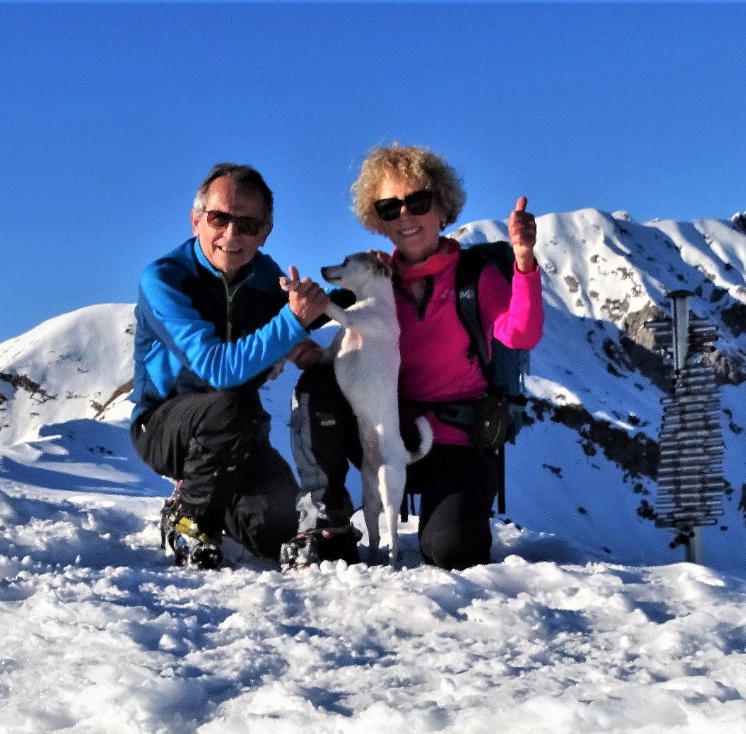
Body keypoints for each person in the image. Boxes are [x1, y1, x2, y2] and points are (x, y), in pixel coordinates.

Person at [285, 144, 543, 570]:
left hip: (458, 444)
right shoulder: (370, 277)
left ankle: (456, 518)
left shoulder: (474, 276)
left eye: (418, 201)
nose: (405, 216)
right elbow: (313, 326)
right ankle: (326, 521)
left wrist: (523, 260)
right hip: (381, 438)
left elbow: (522, 332)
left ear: (442, 207)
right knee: (316, 388)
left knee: (452, 553)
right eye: (389, 207)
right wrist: (298, 325)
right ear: (378, 220)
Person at [130, 162, 332, 569]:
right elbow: (217, 369)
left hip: (239, 435)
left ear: (266, 230)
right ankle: (190, 517)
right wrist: (291, 322)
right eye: (219, 218)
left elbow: (285, 340)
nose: (231, 235)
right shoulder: (164, 279)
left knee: (276, 528)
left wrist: (303, 340)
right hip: (165, 427)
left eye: (248, 224)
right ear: (196, 220)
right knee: (229, 401)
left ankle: (208, 496)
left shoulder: (266, 277)